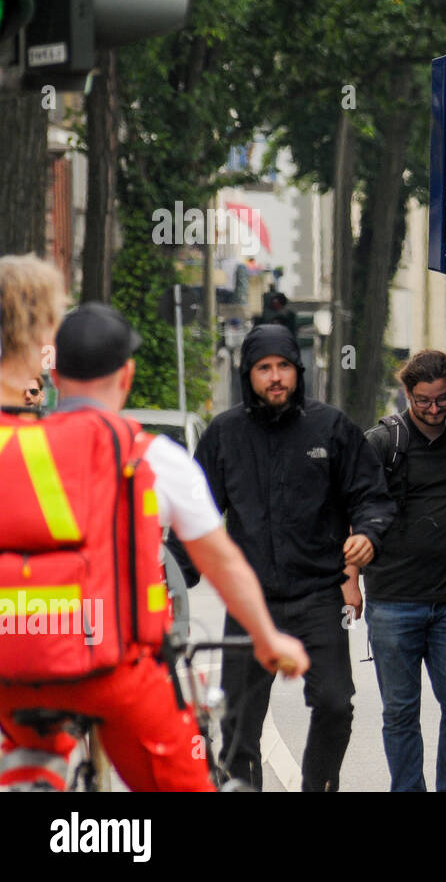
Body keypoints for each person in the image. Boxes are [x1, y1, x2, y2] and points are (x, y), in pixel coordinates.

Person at [0, 274, 308, 792]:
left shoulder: (11, 446)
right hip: (114, 675)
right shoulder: (149, 457)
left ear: (55, 377)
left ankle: (33, 773)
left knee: (26, 748)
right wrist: (268, 636)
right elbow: (222, 563)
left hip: (14, 667)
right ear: (127, 375)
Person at [173, 323, 395, 791]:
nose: (275, 378)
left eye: (284, 367)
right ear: (247, 375)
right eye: (263, 369)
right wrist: (170, 574)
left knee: (336, 704)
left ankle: (318, 787)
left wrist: (369, 535)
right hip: (249, 603)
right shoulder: (224, 435)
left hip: (319, 596)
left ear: (298, 370)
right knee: (237, 724)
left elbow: (371, 497)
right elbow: (196, 516)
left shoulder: (331, 428)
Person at [362, 350, 446, 792]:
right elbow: (352, 513)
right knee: (400, 711)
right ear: (407, 394)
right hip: (393, 601)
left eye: (442, 400)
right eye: (423, 401)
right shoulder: (382, 443)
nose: (434, 410)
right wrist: (348, 583)